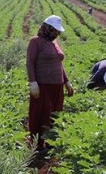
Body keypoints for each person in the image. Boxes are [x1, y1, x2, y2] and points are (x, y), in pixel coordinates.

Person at [26, 15, 74, 150]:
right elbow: (30, 62)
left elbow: (58, 64)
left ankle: (51, 142)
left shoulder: (54, 42)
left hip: (57, 86)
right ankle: (38, 144)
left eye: (58, 31)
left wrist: (66, 81)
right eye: (54, 30)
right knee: (41, 114)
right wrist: (33, 82)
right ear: (46, 28)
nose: (56, 34)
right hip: (43, 85)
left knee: (54, 114)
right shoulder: (35, 42)